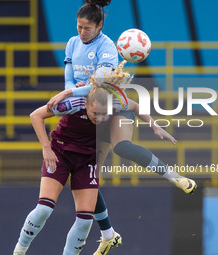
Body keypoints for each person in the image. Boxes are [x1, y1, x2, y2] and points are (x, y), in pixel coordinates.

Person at [47, 0, 197, 252]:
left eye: (87, 28)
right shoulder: (73, 43)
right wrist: (69, 93)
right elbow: (69, 79)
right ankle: (108, 234)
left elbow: (110, 90)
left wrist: (154, 125)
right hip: (90, 109)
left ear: (100, 26)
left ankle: (176, 177)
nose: (82, 32)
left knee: (123, 147)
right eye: (79, 27)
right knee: (87, 179)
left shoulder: (107, 47)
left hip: (111, 104)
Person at [13, 83, 120, 255]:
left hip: (87, 161)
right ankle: (19, 251)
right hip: (60, 154)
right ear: (85, 103)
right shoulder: (73, 104)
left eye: (103, 114)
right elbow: (36, 116)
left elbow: (108, 139)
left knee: (85, 220)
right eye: (95, 113)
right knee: (44, 209)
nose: (99, 118)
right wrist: (46, 148)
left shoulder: (112, 113)